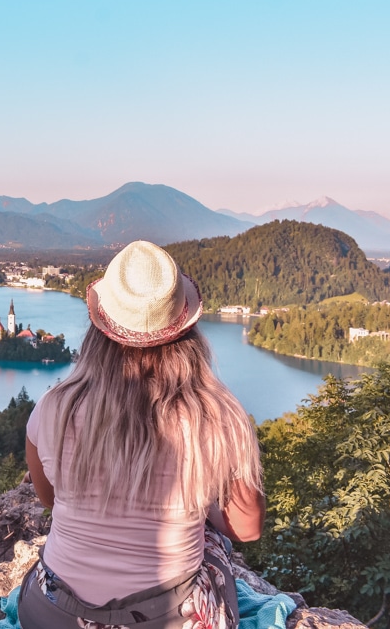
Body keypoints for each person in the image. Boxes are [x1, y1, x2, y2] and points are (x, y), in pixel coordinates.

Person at [19, 240, 264, 629]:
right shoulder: (219, 417)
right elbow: (247, 528)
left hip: (53, 615)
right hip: (165, 620)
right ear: (187, 328)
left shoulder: (55, 407)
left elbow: (49, 498)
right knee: (213, 544)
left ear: (100, 327)